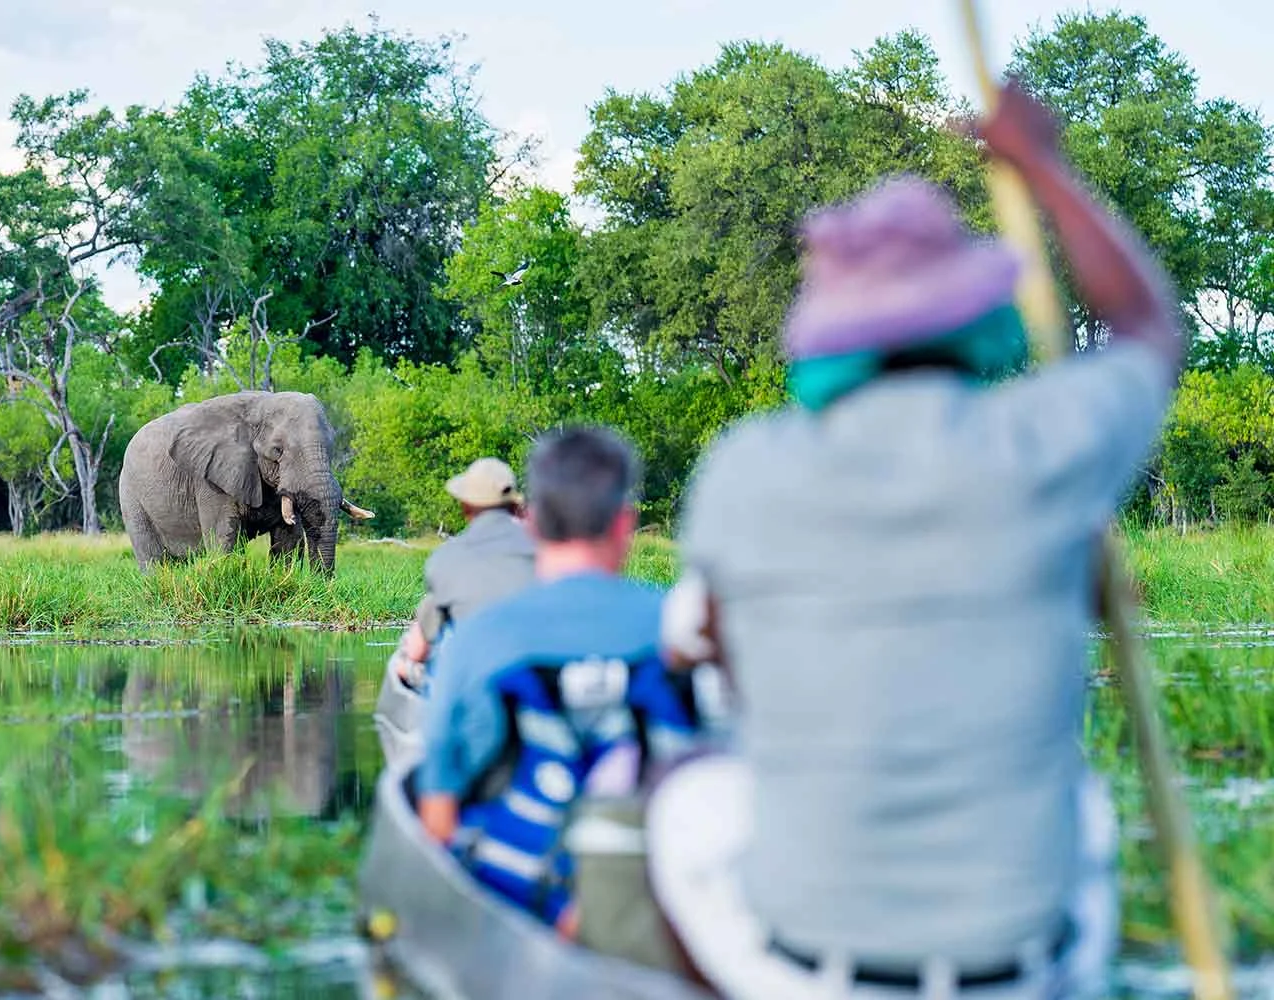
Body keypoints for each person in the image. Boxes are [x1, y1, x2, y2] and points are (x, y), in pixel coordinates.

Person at [648, 83, 1184, 1000]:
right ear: (978, 318)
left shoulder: (746, 470)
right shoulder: (1042, 442)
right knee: (1086, 804)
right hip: (1024, 964)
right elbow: (1146, 327)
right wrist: (1040, 167)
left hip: (813, 971)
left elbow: (726, 668)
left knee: (684, 790)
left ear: (824, 341)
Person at [415, 427, 699, 936]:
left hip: (522, 907)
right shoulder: (681, 629)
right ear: (624, 525)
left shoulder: (474, 642)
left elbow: (438, 814)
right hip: (661, 909)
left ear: (534, 524)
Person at [389, 457, 537, 689]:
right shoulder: (548, 551)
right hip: (537, 678)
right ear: (514, 506)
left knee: (405, 661)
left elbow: (417, 651)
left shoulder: (445, 559)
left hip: (476, 685)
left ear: (465, 507)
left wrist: (407, 662)